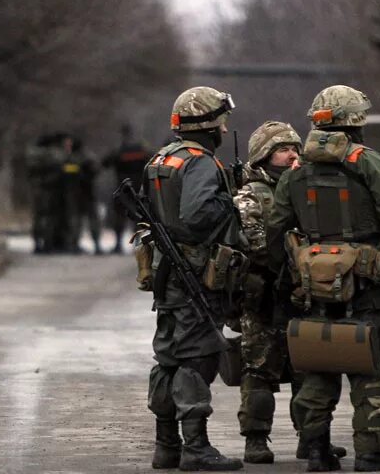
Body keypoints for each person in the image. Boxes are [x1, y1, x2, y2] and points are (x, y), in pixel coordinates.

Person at [267, 85, 380, 472]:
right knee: (367, 365)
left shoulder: (295, 170)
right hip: (367, 283)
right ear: (355, 121)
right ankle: (370, 452)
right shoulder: (365, 160)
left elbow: (275, 226)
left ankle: (317, 451)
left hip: (313, 285)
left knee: (318, 363)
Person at [145, 86, 243, 471]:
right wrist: (230, 199)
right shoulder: (200, 162)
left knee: (168, 356)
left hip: (167, 273)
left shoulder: (162, 158)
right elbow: (197, 215)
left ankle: (166, 445)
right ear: (209, 124)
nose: (224, 128)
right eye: (221, 120)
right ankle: (196, 447)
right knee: (197, 358)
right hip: (195, 273)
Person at [235, 121, 343, 464]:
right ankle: (255, 439)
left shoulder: (305, 187)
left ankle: (309, 437)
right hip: (264, 294)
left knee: (306, 368)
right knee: (258, 369)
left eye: (295, 148)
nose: (292, 154)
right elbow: (254, 244)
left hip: (304, 292)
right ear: (264, 155)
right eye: (283, 149)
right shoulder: (251, 195)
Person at [103, 124, 152, 253]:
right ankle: (137, 243)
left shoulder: (119, 149)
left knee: (120, 215)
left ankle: (118, 244)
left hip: (122, 186)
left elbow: (105, 162)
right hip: (137, 187)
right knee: (137, 214)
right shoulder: (142, 148)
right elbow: (151, 160)